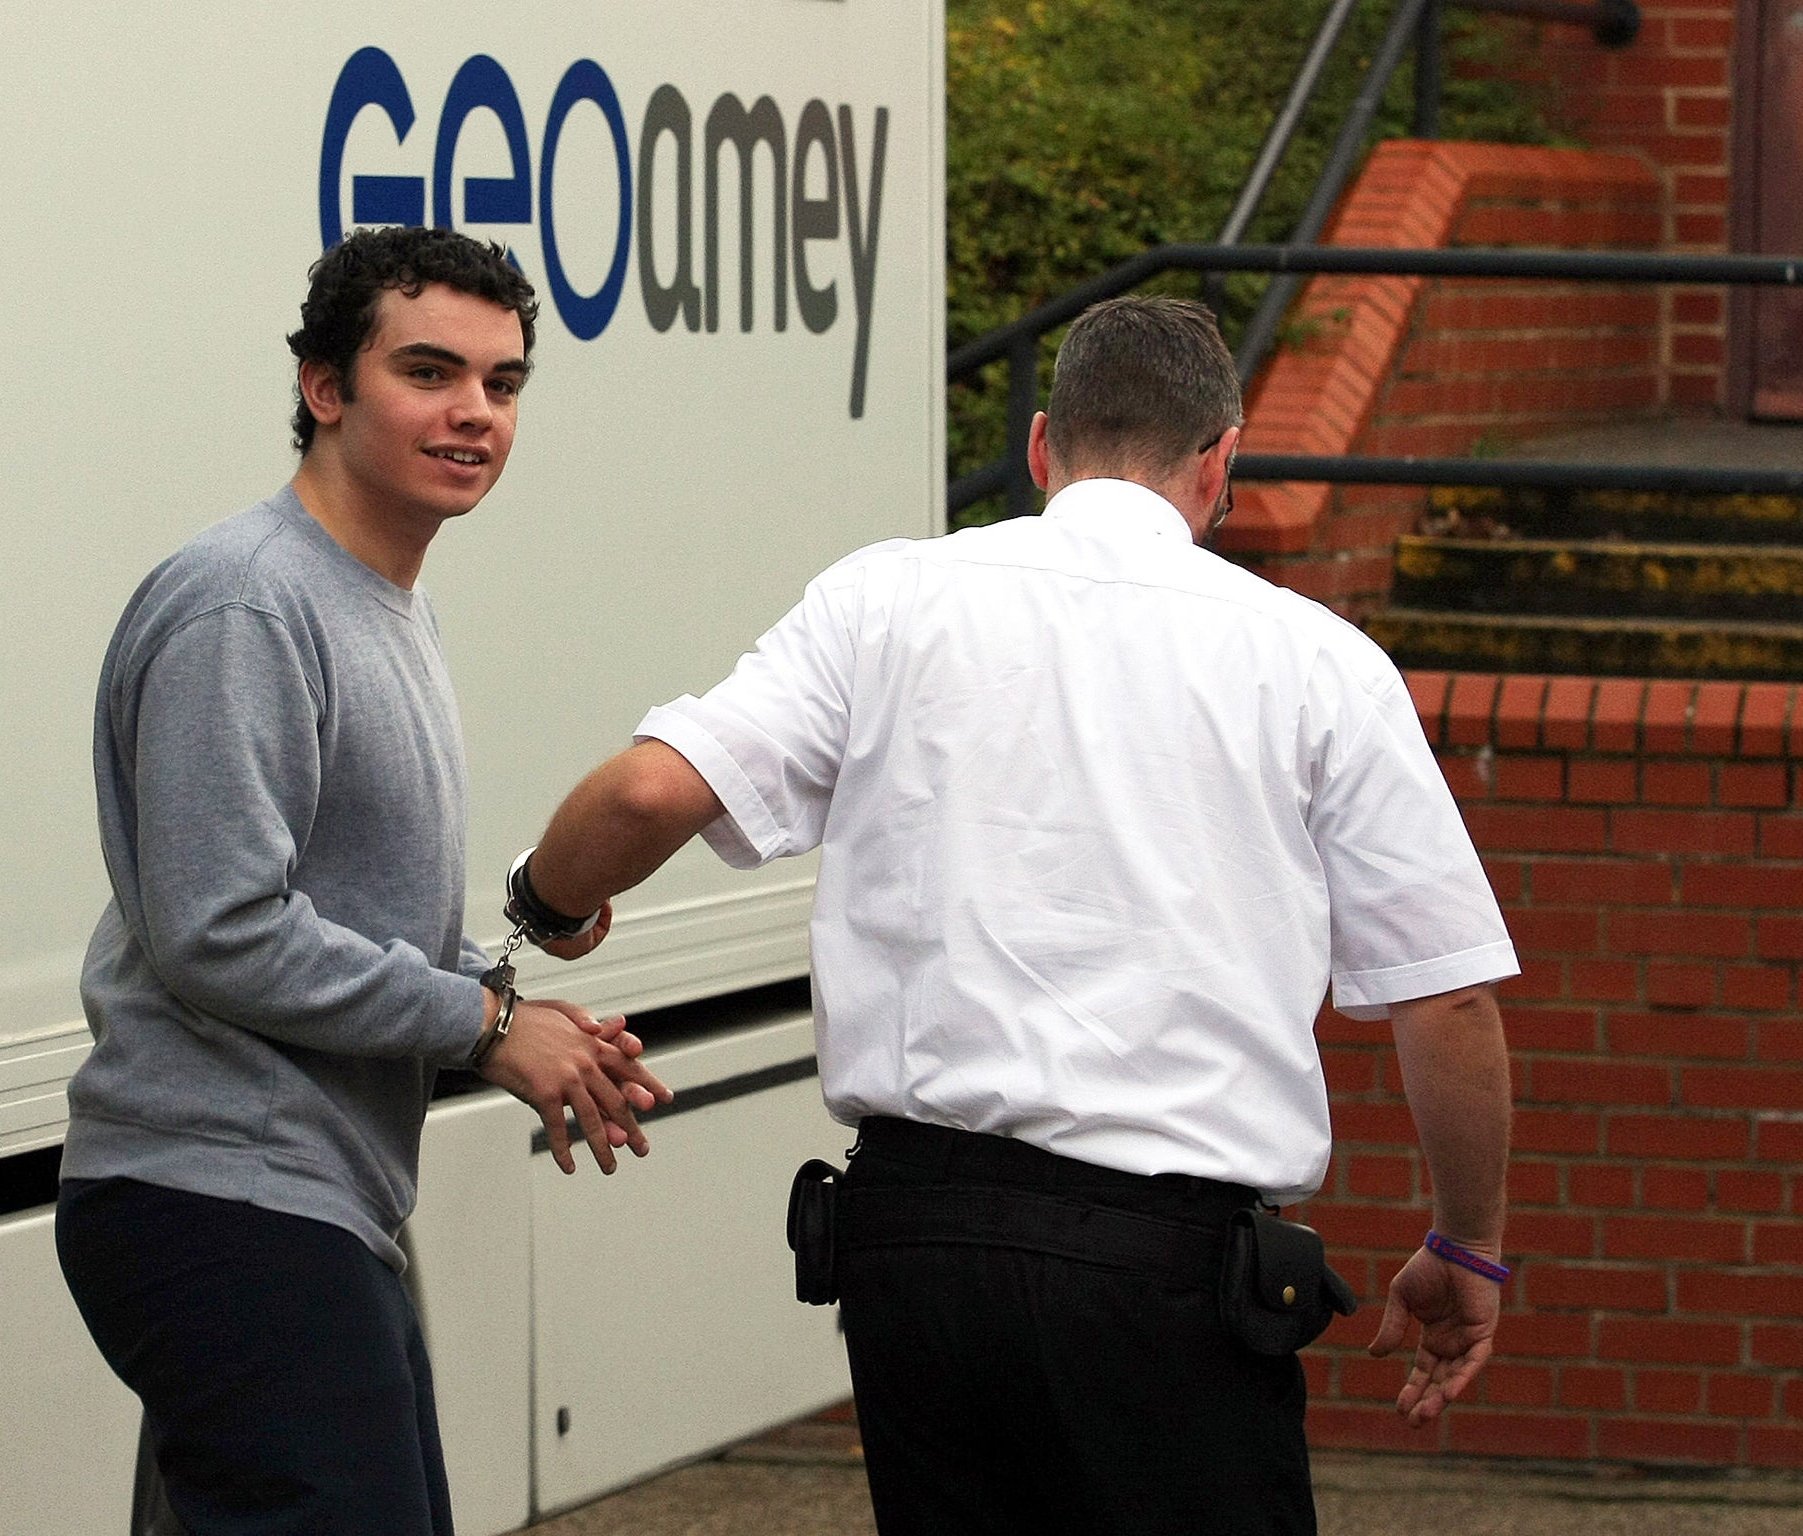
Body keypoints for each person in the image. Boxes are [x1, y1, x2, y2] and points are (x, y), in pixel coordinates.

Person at [503, 295, 1517, 1534]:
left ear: (1040, 447)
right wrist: (1465, 1246)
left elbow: (651, 788)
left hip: (913, 1254)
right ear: (1219, 466)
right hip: (1162, 1276)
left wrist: (545, 908)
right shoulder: (1317, 663)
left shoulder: (884, 602)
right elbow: (1448, 995)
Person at [53, 225, 666, 1536]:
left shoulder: (384, 604)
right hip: (218, 1195)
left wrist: (512, 1013)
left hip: (303, 1200)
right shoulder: (248, 606)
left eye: (502, 384)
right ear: (326, 387)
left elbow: (341, 921)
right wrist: (489, 1025)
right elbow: (221, 931)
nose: (474, 413)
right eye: (430, 372)